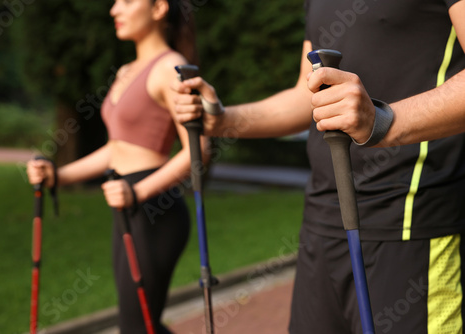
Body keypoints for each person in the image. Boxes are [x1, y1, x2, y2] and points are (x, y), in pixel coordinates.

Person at [173, 0, 465, 333]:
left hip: (412, 225)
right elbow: (307, 93)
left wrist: (383, 121)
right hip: (321, 226)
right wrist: (225, 120)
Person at [27, 0, 209, 332]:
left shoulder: (170, 67)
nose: (114, 10)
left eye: (126, 1)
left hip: (154, 208)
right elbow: (116, 148)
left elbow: (198, 149)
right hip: (126, 204)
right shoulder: (127, 71)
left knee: (135, 324)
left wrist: (136, 192)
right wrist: (59, 175)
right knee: (140, 322)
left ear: (158, 9)